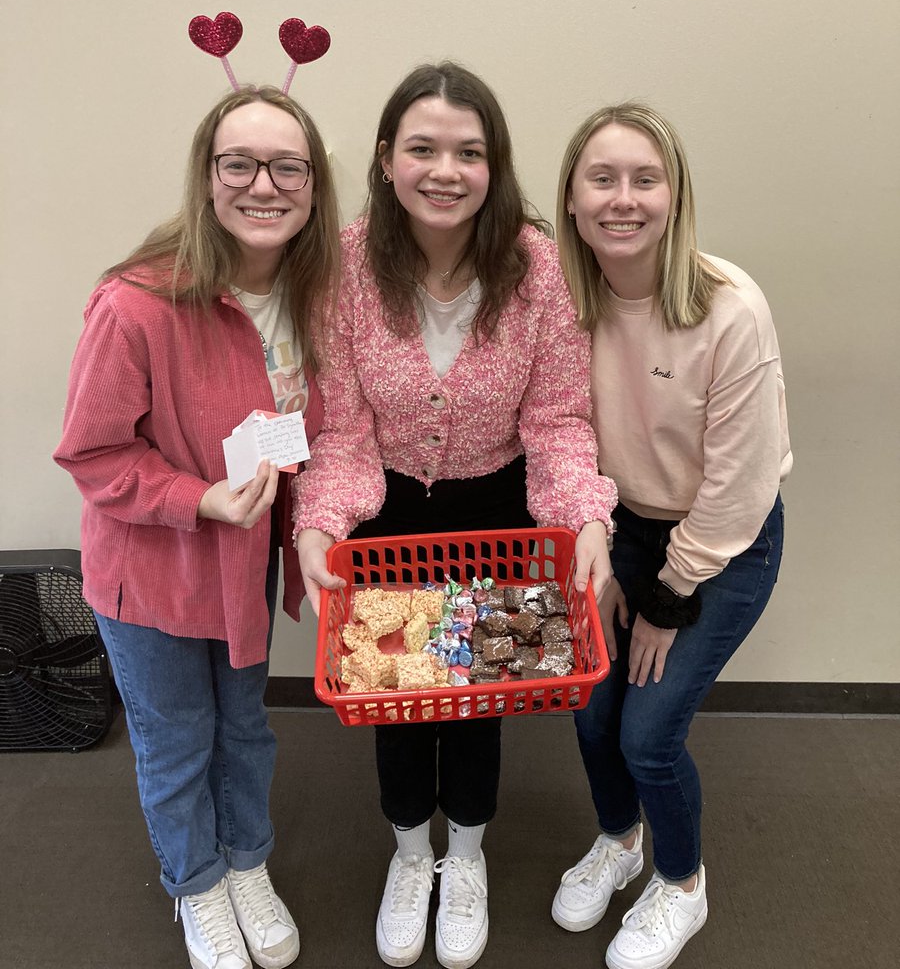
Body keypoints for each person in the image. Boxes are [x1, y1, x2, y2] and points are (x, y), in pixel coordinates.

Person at [293, 62, 617, 969]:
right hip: (388, 509)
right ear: (389, 159)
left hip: (495, 505)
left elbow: (555, 418)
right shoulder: (349, 265)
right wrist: (320, 522)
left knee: (479, 695)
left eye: (469, 152)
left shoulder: (537, 266)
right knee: (397, 695)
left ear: (495, 165)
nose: (445, 170)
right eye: (423, 148)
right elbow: (345, 428)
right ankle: (409, 858)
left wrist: (582, 518)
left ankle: (465, 858)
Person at [54, 85, 339, 969]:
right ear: (207, 177)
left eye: (287, 165)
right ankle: (197, 884)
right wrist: (196, 499)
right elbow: (93, 457)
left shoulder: (313, 292)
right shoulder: (135, 305)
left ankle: (246, 863)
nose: (265, 184)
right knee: (176, 739)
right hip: (156, 570)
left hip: (244, 562)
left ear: (314, 183)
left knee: (245, 727)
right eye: (240, 163)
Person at [551, 103, 791, 969]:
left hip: (720, 547)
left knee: (648, 734)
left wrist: (665, 597)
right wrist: (598, 540)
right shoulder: (564, 305)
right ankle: (619, 843)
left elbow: (735, 490)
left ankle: (681, 884)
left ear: (675, 193)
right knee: (590, 711)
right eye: (602, 179)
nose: (624, 199)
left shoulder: (729, 308)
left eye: (644, 179)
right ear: (572, 201)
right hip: (618, 529)